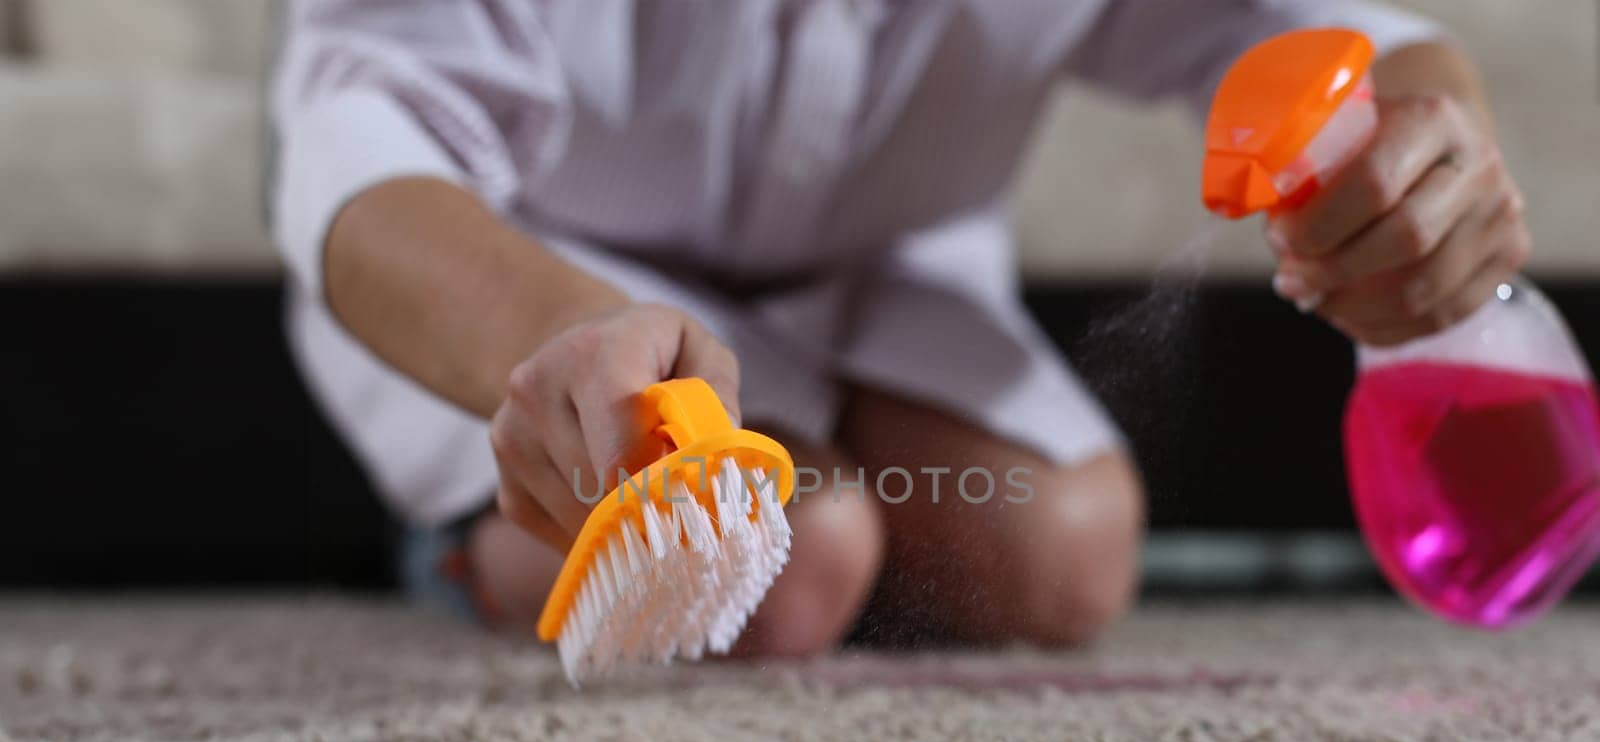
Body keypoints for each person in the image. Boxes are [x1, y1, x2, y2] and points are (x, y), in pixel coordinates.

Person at [271, 1, 1529, 656]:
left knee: (1059, 550)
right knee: (778, 570)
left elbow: (1342, 34)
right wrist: (565, 335)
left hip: (883, 259)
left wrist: (1428, 163)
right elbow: (364, 139)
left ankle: (831, 502)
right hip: (543, 259)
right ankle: (462, 546)